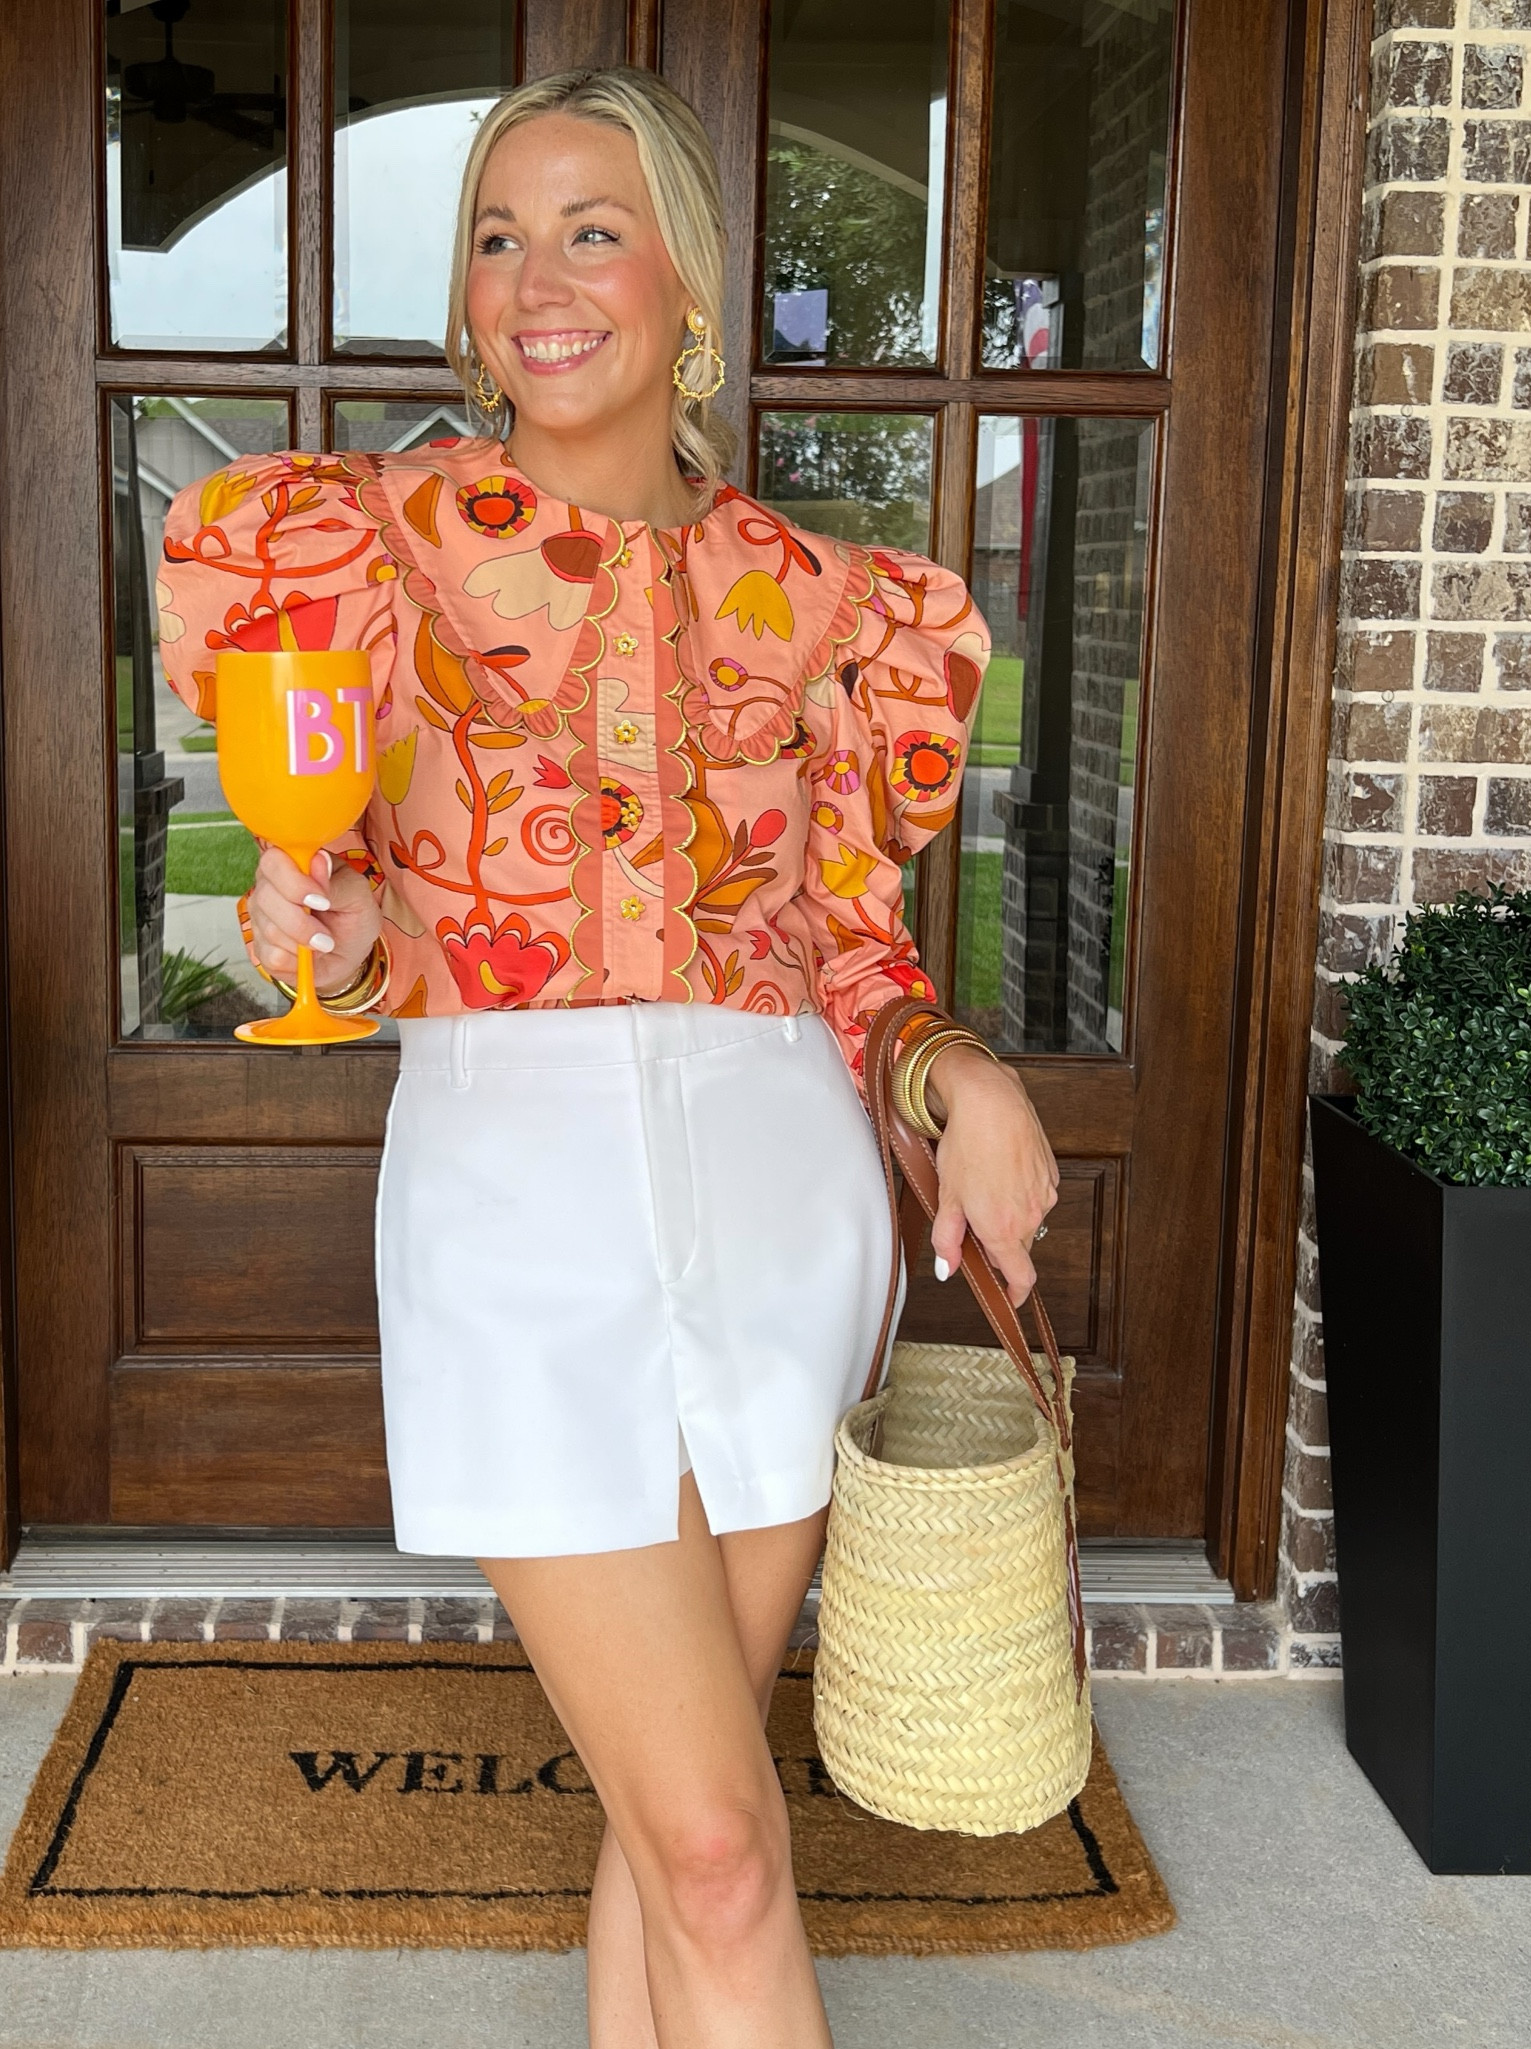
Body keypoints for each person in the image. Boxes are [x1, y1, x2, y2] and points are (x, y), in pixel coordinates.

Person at [157, 65, 1058, 2049]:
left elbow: (849, 951)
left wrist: (949, 1074)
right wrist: (310, 923)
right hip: (518, 1210)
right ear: (465, 302)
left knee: (685, 1828)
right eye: (497, 235)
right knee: (726, 1843)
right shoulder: (368, 549)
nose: (538, 278)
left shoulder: (824, 604)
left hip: (778, 1194)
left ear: (688, 286)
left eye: (591, 227)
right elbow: (355, 907)